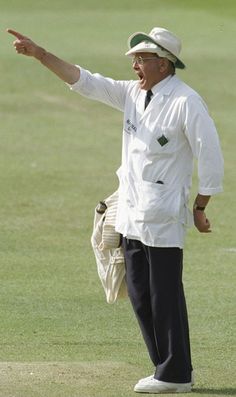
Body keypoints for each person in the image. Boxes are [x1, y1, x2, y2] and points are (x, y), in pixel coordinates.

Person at [7, 27, 224, 394]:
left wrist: (201, 206)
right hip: (131, 210)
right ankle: (164, 368)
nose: (135, 65)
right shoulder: (131, 94)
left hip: (164, 213)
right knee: (139, 293)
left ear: (164, 64)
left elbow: (211, 155)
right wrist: (42, 55)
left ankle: (177, 373)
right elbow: (85, 81)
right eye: (135, 60)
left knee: (165, 293)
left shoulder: (186, 101)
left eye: (142, 60)